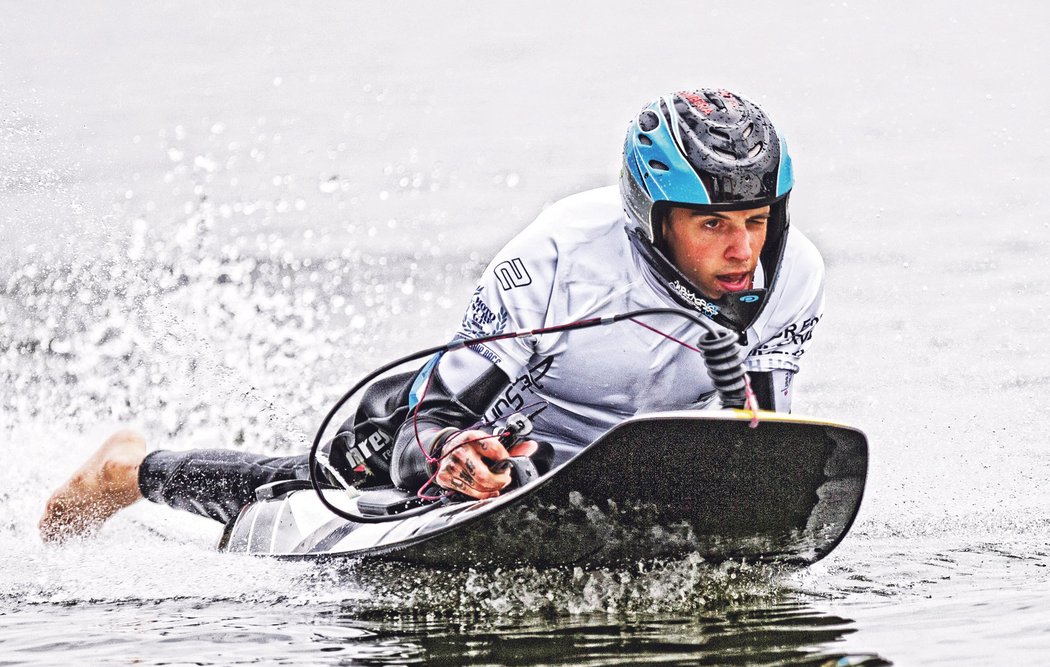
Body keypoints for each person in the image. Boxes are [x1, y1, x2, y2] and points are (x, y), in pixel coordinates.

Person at [39, 88, 824, 543]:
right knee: (333, 484)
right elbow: (436, 410)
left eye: (757, 220)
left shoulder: (792, 278)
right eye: (713, 225)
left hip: (633, 461)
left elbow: (763, 430)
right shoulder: (556, 257)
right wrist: (453, 450)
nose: (742, 251)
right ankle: (131, 471)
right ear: (655, 217)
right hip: (479, 438)